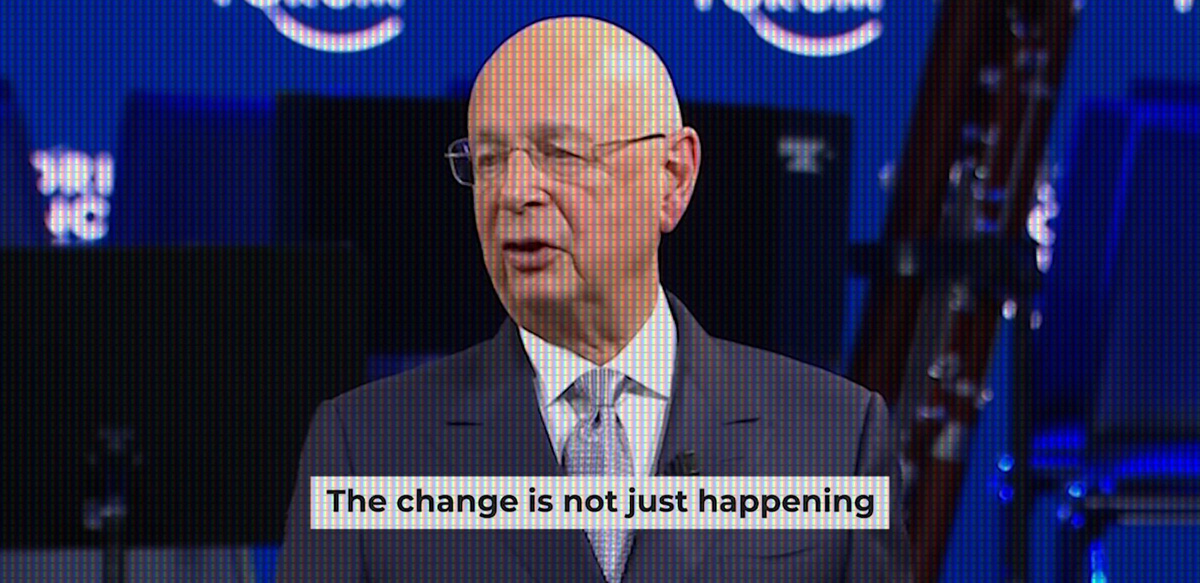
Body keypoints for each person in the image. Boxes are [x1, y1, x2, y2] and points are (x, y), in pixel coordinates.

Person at [278, 16, 911, 582]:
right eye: (489, 160)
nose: (514, 192)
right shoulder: (364, 447)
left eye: (560, 153)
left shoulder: (835, 437)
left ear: (673, 177)